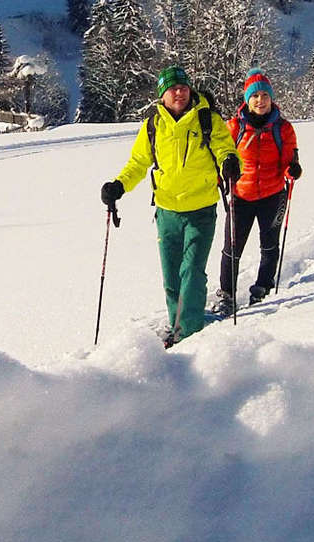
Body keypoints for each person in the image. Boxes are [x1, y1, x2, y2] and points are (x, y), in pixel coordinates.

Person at [101, 64, 240, 346]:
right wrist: (119, 186)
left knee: (192, 270)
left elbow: (225, 147)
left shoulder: (207, 119)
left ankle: (189, 334)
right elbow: (139, 163)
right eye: (172, 89)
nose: (179, 92)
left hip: (201, 209)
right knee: (171, 275)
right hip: (166, 211)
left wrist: (229, 161)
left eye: (183, 87)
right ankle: (177, 323)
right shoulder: (153, 124)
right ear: (162, 94)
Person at [216, 68, 300, 315]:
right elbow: (221, 156)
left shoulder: (283, 129)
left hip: (273, 196)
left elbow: (288, 160)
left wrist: (292, 170)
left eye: (264, 95)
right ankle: (227, 295)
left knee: (269, 247)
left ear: (271, 98)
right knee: (232, 248)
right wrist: (225, 172)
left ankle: (262, 289)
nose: (260, 100)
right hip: (241, 196)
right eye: (255, 96)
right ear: (247, 99)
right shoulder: (233, 127)